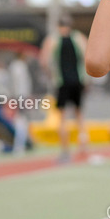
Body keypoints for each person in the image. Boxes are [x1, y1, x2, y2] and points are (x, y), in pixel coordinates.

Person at [41, 15, 89, 162]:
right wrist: (86, 79)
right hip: (78, 81)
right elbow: (88, 56)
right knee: (79, 115)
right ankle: (83, 149)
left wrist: (50, 75)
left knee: (62, 117)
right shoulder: (78, 38)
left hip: (62, 82)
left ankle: (65, 151)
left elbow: (44, 60)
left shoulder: (52, 40)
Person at [8, 51, 33, 154]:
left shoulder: (15, 66)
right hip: (21, 96)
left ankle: (22, 144)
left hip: (19, 96)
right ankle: (20, 145)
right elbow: (21, 83)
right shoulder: (20, 66)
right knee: (21, 121)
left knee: (21, 120)